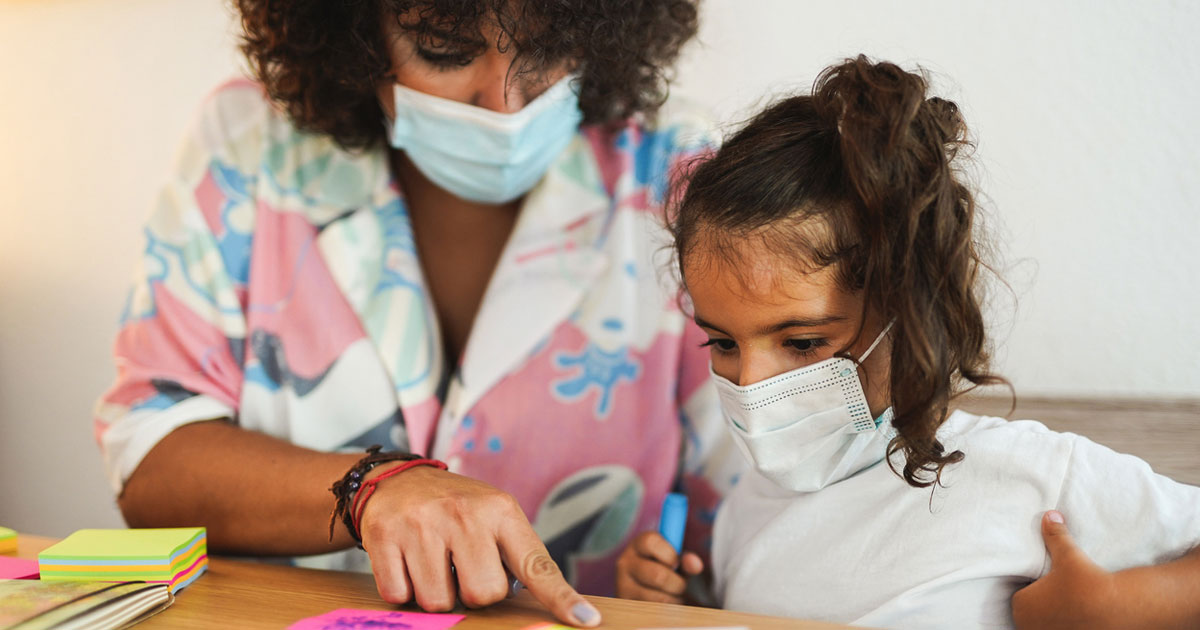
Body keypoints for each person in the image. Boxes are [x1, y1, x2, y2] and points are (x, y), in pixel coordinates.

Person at [94, 1, 744, 626]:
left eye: (546, 50)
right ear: (355, 32)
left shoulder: (674, 172)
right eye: (445, 50)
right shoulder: (250, 145)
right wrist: (367, 488)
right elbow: (151, 455)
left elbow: (751, 497)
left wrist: (680, 588)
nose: (505, 105)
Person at [615, 55, 1200, 628]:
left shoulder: (1028, 475)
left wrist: (1122, 609)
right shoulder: (750, 498)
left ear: (909, 311)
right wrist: (677, 609)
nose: (749, 385)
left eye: (802, 343)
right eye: (722, 344)